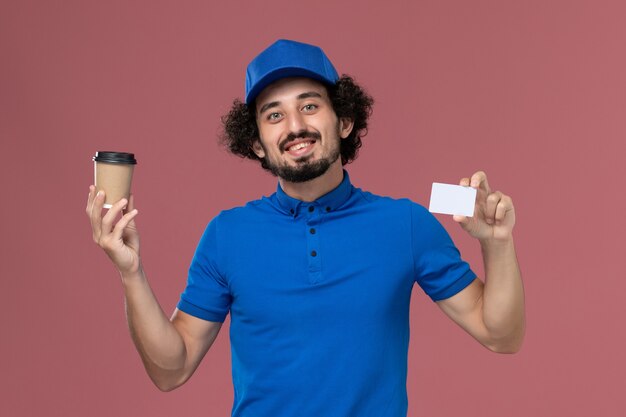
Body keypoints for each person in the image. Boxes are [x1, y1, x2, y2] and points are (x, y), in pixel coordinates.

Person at [86, 39, 525, 417]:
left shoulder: (405, 225)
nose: (295, 126)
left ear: (344, 121)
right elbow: (171, 369)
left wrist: (497, 244)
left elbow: (501, 335)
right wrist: (131, 272)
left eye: (310, 106)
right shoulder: (227, 235)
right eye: (273, 115)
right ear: (257, 142)